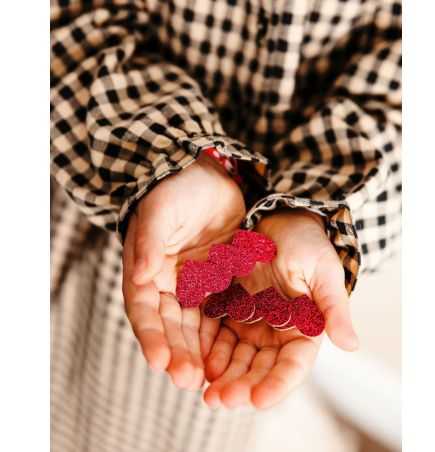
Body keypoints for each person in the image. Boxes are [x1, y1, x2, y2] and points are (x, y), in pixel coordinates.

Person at [50, 1, 401, 451]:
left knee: (162, 421)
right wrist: (169, 157)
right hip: (99, 173)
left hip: (226, 293)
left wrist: (314, 210)